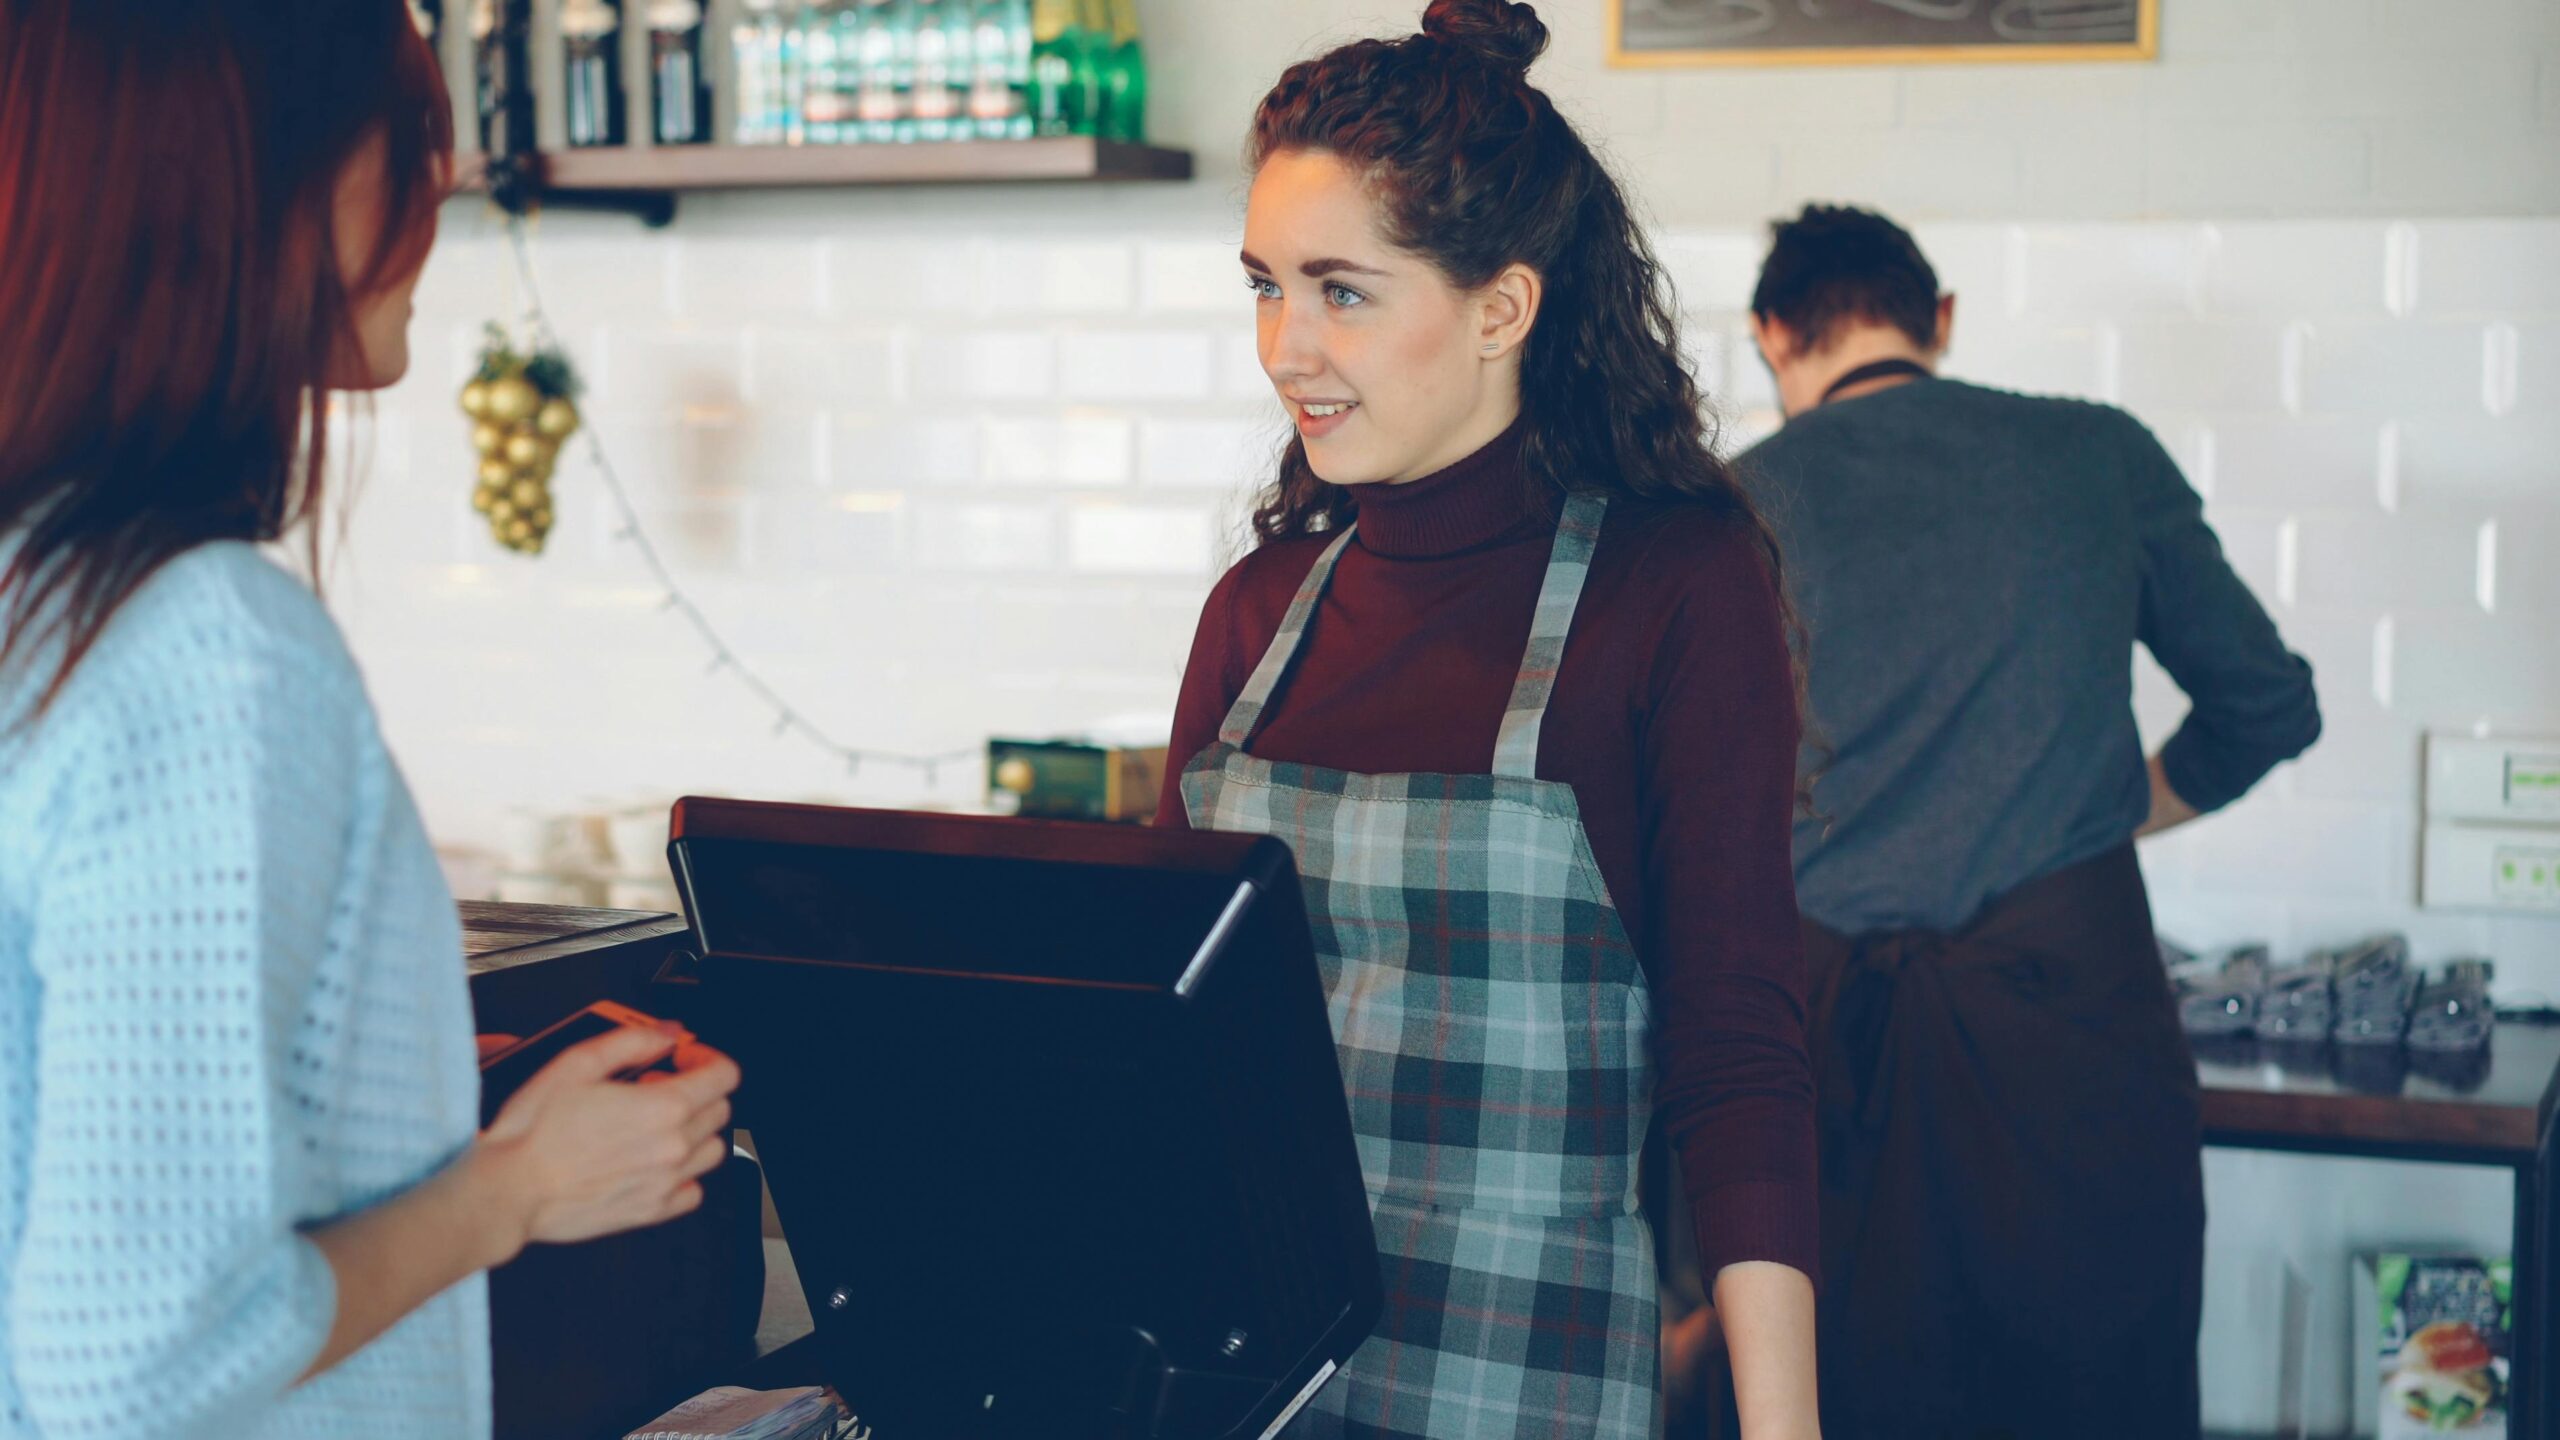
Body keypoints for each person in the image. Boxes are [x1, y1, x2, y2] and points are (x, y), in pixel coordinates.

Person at [0, 3, 741, 1435]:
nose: (440, 181)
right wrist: (517, 1186)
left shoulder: (38, 588)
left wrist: (392, 1100)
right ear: (264, 180)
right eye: (404, 137)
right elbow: (136, 1363)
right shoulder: (210, 652)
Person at [1157, 4, 1823, 1435]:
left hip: (1520, 1380)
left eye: (1342, 292)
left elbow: (1737, 1051)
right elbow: (1166, 1039)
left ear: (1502, 309)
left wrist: (1784, 1426)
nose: (1286, 347)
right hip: (1240, 1380)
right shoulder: (1257, 612)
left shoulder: (1672, 587)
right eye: (1265, 286)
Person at [1736, 204, 2323, 1440]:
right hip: (2075, 1034)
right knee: (2095, 1395)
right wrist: (2109, 810)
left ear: (1771, 334)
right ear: (1939, 319)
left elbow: (1678, 802)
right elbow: (2266, 705)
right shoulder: (2095, 453)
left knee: (1852, 1394)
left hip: (1822, 1049)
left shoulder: (1732, 505)